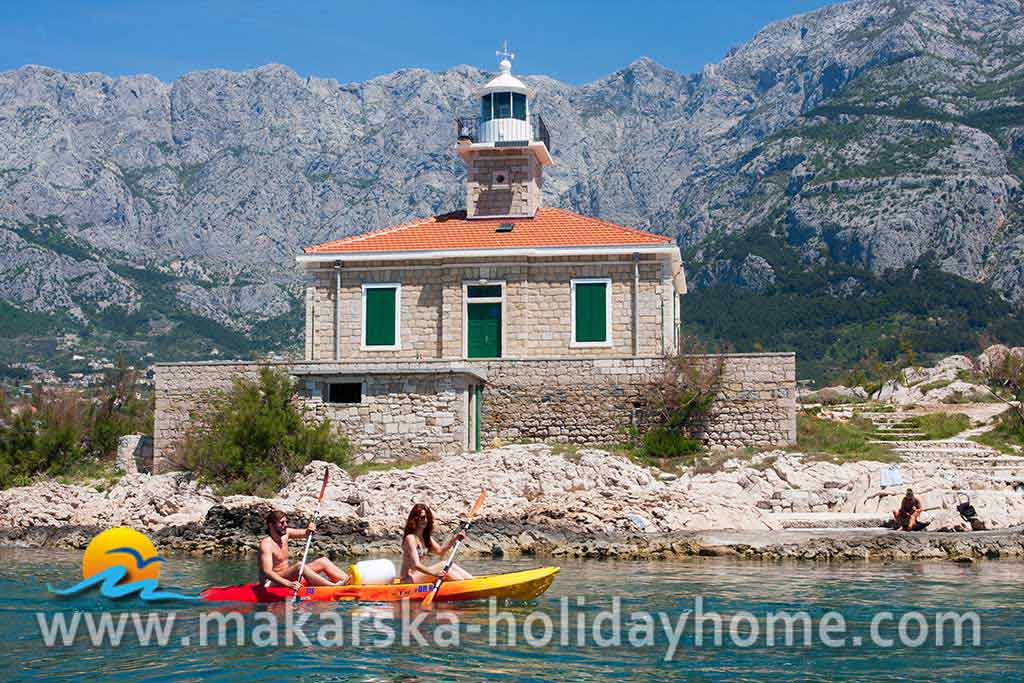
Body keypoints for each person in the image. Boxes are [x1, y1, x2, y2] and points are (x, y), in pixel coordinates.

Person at [259, 509, 348, 590]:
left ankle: (347, 580)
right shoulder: (266, 544)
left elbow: (306, 533)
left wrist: (310, 529)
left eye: (286, 522)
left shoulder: (286, 534)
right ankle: (332, 587)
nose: (285, 525)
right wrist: (289, 584)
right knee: (299, 566)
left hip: (287, 576)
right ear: (271, 525)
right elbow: (267, 572)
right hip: (271, 582)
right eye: (282, 523)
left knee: (323, 561)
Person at [400, 503, 474, 584]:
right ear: (415, 518)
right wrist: (434, 574)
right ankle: (464, 585)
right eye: (422, 517)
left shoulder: (426, 538)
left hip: (419, 576)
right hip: (408, 580)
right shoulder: (410, 538)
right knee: (444, 568)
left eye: (427, 518)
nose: (425, 520)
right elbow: (416, 565)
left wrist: (455, 539)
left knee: (447, 564)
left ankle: (471, 581)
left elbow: (440, 551)